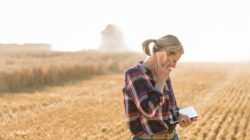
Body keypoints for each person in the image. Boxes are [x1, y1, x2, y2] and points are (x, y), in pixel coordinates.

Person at [122, 35, 196, 140]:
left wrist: (179, 117)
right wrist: (160, 82)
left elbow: (170, 108)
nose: (174, 66)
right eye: (174, 60)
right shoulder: (134, 75)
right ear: (163, 53)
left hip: (172, 137)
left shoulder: (164, 73)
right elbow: (148, 112)